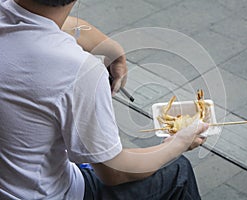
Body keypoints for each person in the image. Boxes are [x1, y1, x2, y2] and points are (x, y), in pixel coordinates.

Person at [0, 0, 208, 199]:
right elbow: (115, 172)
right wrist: (178, 143)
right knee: (178, 171)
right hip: (43, 194)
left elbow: (63, 25)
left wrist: (114, 51)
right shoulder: (79, 71)